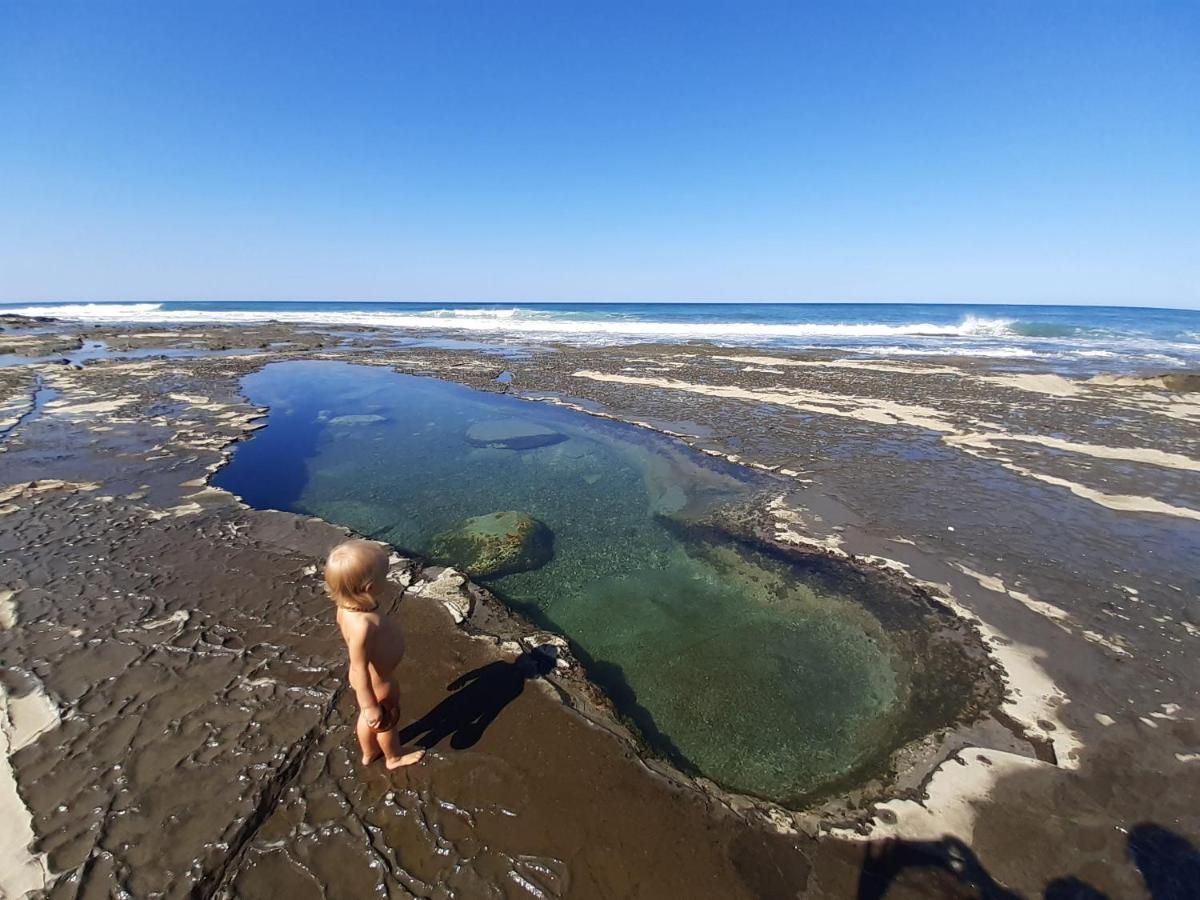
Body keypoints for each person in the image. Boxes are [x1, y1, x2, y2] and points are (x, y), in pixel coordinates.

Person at [324, 538, 425, 769]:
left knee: (367, 719)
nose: (387, 580)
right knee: (386, 721)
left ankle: (369, 753)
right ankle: (393, 758)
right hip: (377, 681)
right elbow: (358, 665)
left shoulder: (346, 607)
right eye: (384, 576)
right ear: (369, 587)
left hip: (370, 677)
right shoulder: (363, 625)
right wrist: (370, 704)